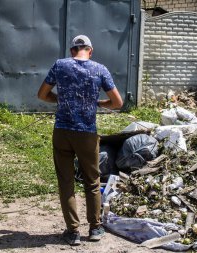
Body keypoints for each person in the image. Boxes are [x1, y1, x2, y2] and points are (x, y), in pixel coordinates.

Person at [37, 35, 123, 246]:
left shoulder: (60, 65)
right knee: (92, 182)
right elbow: (117, 102)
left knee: (66, 182)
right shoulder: (100, 69)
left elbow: (42, 95)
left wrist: (61, 99)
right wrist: (100, 103)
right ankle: (94, 228)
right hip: (87, 133)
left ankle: (72, 231)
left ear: (72, 50)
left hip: (62, 132)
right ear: (90, 50)